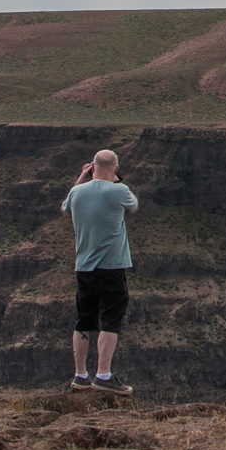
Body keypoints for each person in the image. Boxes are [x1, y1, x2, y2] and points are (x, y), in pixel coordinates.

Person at [60, 149, 138, 394]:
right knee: (110, 321)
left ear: (91, 167)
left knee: (84, 320)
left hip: (83, 268)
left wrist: (82, 179)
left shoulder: (76, 192)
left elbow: (66, 209)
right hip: (112, 267)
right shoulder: (120, 191)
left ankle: (80, 375)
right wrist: (113, 180)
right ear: (115, 169)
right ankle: (103, 375)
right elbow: (133, 208)